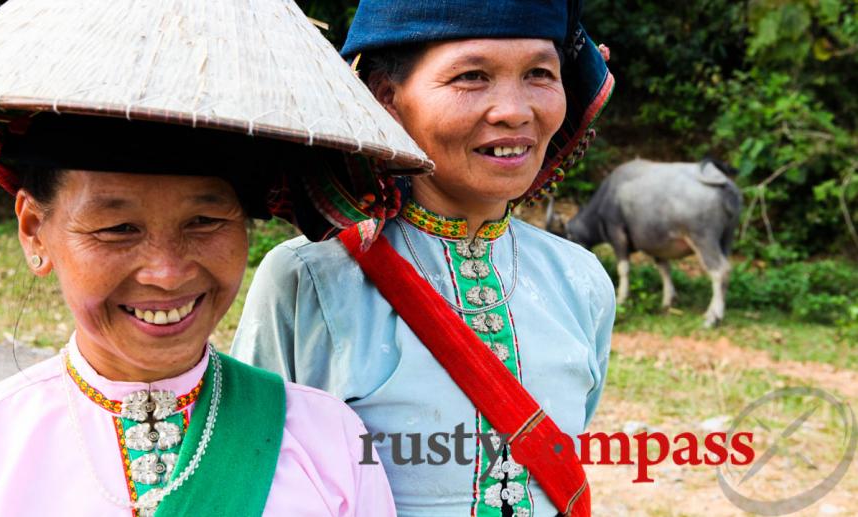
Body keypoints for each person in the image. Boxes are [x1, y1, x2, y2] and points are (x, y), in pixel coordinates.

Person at [0, 1, 433, 515]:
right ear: (35, 233)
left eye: (204, 222)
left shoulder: (329, 443)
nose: (167, 272)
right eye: (118, 228)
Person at [232, 0, 617, 515]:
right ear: (387, 98)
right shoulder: (308, 281)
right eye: (472, 76)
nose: (516, 110)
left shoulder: (580, 279)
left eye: (539, 74)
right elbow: (255, 472)